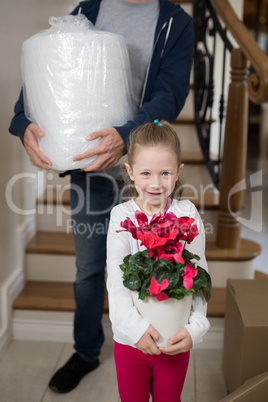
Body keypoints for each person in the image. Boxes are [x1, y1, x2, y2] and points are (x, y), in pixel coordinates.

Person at [9, 0, 194, 394]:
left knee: (151, 266)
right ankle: (86, 350)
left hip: (145, 172)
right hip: (91, 171)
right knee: (90, 268)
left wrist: (128, 135)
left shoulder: (174, 22)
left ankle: (155, 345)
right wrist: (23, 121)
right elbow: (44, 78)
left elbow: (170, 93)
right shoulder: (87, 10)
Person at [106, 121, 210, 402]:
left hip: (174, 337)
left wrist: (196, 326)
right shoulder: (122, 216)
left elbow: (199, 274)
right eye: (145, 173)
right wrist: (135, 330)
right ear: (129, 172)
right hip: (130, 340)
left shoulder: (186, 212)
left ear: (178, 172)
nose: (155, 183)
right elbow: (116, 282)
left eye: (165, 173)